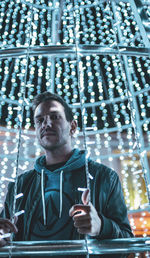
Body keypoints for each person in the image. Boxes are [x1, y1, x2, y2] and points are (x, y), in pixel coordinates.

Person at [0, 91, 133, 256]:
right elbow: (4, 236)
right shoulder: (20, 184)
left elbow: (127, 243)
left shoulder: (104, 177)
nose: (46, 124)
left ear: (73, 126)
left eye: (55, 117)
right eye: (40, 120)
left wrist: (101, 226)